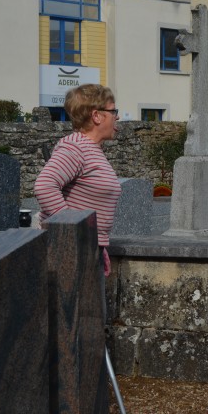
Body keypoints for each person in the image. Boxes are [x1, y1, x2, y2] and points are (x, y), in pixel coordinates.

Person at [34, 84, 123, 277]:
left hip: (84, 246)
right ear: (96, 116)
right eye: (113, 111)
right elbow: (44, 186)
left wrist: (99, 244)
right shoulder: (75, 147)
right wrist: (73, 228)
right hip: (69, 249)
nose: (118, 117)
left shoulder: (91, 149)